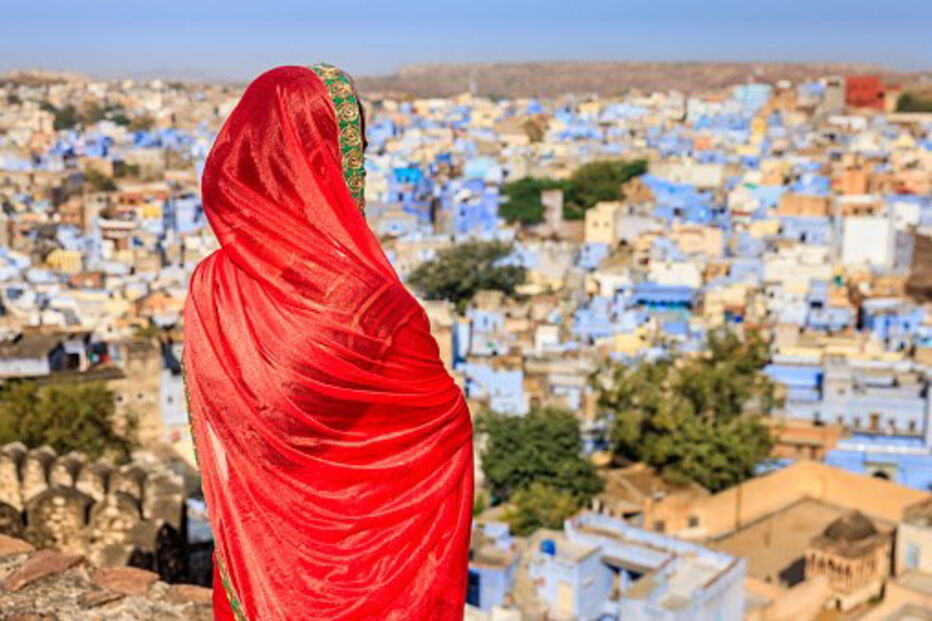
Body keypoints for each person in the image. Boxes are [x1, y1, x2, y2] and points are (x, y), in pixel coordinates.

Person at [183, 64, 474, 620]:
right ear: (323, 162)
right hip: (369, 576)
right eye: (351, 151)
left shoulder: (211, 283)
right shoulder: (367, 300)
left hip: (261, 562)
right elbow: (439, 422)